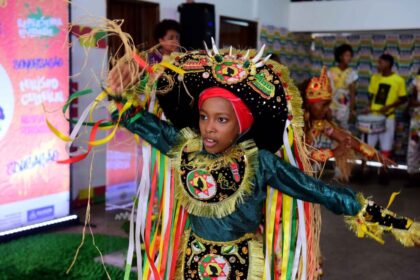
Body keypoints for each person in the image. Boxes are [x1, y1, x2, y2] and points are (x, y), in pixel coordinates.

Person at [107, 45, 419, 279]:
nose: (208, 127)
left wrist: (392, 221)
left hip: (241, 264)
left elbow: (320, 192)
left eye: (221, 119)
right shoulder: (185, 147)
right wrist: (117, 93)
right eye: (204, 117)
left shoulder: (261, 162)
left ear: (240, 126)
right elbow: (135, 119)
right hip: (193, 258)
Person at [367, 53, 408, 158]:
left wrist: (388, 107)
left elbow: (403, 99)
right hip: (373, 117)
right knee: (367, 145)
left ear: (388, 63)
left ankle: (382, 170)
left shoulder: (399, 80)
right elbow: (371, 96)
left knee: (386, 146)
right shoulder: (374, 78)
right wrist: (368, 107)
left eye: (380, 62)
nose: (378, 65)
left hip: (388, 117)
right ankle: (364, 168)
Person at [328, 44, 358, 129]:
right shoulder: (331, 72)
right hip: (331, 105)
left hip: (344, 105)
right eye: (346, 55)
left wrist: (352, 111)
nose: (349, 58)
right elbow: (327, 90)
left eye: (350, 56)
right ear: (340, 56)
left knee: (343, 131)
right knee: (331, 130)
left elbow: (352, 94)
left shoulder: (352, 73)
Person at [406, 69, 420, 187]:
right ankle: (412, 177)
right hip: (417, 121)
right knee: (413, 148)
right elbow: (412, 101)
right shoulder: (417, 80)